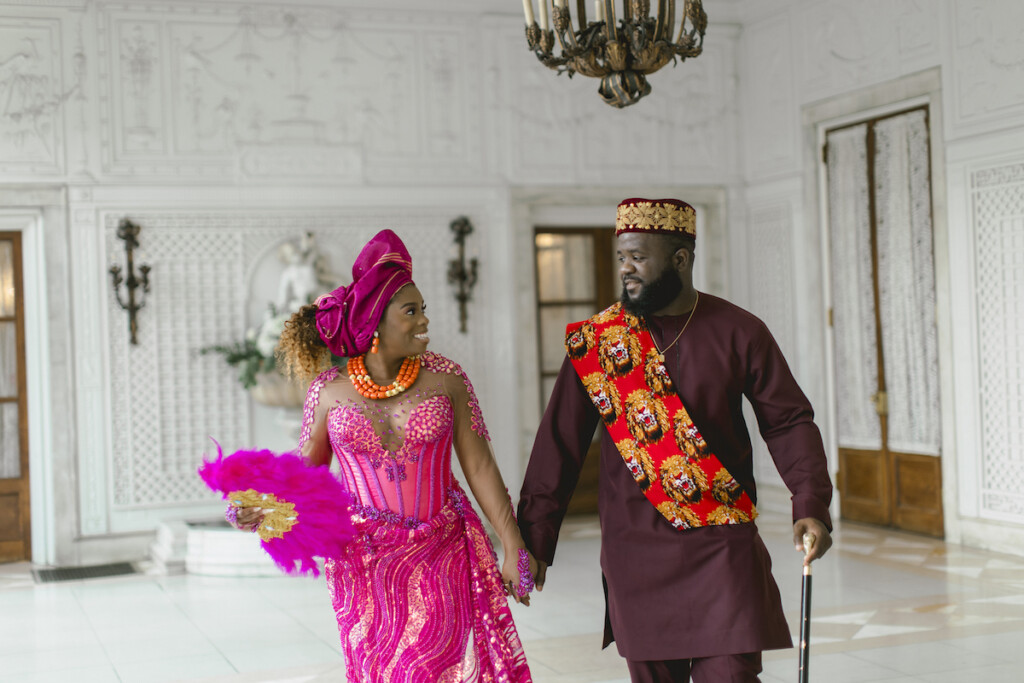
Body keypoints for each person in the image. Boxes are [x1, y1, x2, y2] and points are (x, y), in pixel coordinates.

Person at [517, 198, 834, 683]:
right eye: (621, 257)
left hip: (722, 543)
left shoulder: (739, 331)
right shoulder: (601, 342)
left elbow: (788, 420)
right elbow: (559, 443)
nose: (626, 269)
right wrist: (535, 537)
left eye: (639, 257)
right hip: (635, 553)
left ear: (681, 259)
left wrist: (809, 501)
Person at [231, 229, 537, 683]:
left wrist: (512, 544)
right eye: (410, 311)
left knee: (431, 669)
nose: (423, 321)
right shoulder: (327, 392)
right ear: (375, 321)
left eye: (423, 309)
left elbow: (479, 466)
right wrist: (265, 506)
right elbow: (307, 473)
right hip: (360, 559)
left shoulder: (448, 379)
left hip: (442, 548)